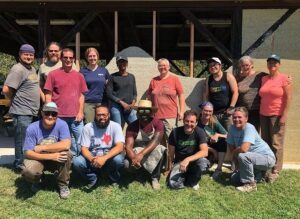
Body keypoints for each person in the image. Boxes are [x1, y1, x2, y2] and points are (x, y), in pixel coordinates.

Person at [21, 102, 72, 199]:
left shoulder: (62, 124)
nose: (50, 116)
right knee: (28, 170)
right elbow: (27, 152)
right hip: (39, 159)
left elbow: (66, 144)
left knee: (67, 154)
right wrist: (51, 156)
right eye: (47, 113)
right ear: (42, 113)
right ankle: (39, 179)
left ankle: (63, 184)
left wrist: (41, 148)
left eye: (54, 114)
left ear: (57, 115)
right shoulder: (32, 128)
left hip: (55, 159)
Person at [2, 44, 40, 170]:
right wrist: (12, 99)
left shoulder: (32, 69)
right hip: (22, 111)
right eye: (26, 54)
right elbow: (6, 89)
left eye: (31, 54)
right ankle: (19, 164)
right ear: (20, 55)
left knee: (28, 138)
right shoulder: (17, 69)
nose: (28, 57)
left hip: (31, 111)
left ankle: (26, 161)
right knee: (22, 139)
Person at [44, 48, 88, 157]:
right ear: (61, 58)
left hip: (76, 117)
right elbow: (48, 95)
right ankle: (65, 163)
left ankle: (80, 163)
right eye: (65, 57)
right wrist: (50, 113)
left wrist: (80, 112)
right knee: (62, 141)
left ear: (73, 59)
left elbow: (82, 95)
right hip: (59, 116)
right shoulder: (53, 74)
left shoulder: (79, 76)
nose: (68, 60)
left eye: (70, 58)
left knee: (81, 141)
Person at [73, 104, 125, 189]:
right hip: (92, 158)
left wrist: (104, 158)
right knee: (77, 162)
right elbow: (84, 149)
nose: (101, 117)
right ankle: (92, 177)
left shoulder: (115, 126)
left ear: (109, 115)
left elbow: (120, 146)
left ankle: (112, 176)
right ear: (95, 115)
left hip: (108, 158)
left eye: (104, 114)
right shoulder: (88, 127)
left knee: (118, 160)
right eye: (98, 115)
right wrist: (93, 159)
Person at [259, 54, 292, 183]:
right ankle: (267, 166)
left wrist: (284, 115)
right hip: (263, 114)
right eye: (270, 62)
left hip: (277, 115)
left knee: (276, 143)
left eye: (275, 63)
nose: (272, 65)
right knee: (266, 142)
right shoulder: (264, 78)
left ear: (279, 64)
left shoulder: (285, 79)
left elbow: (289, 98)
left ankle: (276, 170)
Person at [227, 107, 276, 192]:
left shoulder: (249, 128)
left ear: (246, 118)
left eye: (239, 117)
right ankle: (262, 175)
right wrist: (237, 167)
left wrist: (236, 153)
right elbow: (232, 149)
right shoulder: (231, 129)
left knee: (243, 156)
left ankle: (250, 184)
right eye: (234, 117)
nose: (236, 119)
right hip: (251, 159)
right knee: (234, 178)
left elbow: (244, 149)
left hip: (267, 158)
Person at [125, 100, 166, 190]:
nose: (144, 114)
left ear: (151, 112)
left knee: (160, 149)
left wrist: (141, 154)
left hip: (153, 150)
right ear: (137, 112)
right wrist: (134, 159)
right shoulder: (132, 126)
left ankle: (155, 177)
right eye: (141, 111)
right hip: (137, 152)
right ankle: (139, 175)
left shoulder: (158, 123)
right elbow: (128, 146)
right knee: (127, 164)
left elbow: (156, 141)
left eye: (146, 111)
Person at [168, 110, 208, 190]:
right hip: (179, 163)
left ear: (196, 123)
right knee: (174, 185)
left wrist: (187, 159)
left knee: (203, 162)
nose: (189, 124)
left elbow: (205, 151)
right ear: (183, 121)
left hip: (193, 162)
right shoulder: (175, 132)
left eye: (192, 122)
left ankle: (192, 179)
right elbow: (171, 153)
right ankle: (186, 177)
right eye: (187, 121)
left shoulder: (200, 132)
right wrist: (169, 168)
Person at [147, 58, 185, 138]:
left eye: (164, 65)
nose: (162, 67)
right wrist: (149, 111)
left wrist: (181, 111)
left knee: (170, 139)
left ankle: (171, 151)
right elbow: (149, 97)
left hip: (170, 116)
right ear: (158, 67)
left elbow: (181, 95)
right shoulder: (153, 80)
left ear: (169, 67)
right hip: (155, 116)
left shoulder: (174, 79)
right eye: (160, 65)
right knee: (157, 140)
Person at [203, 57, 238, 131]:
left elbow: (235, 92)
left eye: (215, 65)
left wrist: (231, 107)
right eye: (210, 66)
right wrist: (206, 109)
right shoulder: (208, 80)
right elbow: (206, 95)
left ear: (220, 65)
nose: (212, 67)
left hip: (227, 114)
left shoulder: (228, 76)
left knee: (230, 135)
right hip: (214, 114)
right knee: (216, 136)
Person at [236, 56, 267, 132]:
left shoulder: (260, 75)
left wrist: (286, 78)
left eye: (247, 65)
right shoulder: (238, 78)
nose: (245, 67)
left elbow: (274, 77)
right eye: (243, 65)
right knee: (242, 132)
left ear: (252, 65)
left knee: (253, 132)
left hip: (255, 110)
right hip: (242, 111)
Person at [198, 101, 227, 179]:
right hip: (202, 149)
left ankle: (219, 169)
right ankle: (211, 162)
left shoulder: (214, 122)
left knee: (223, 141)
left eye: (210, 111)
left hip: (214, 147)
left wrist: (217, 135)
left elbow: (227, 135)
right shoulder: (197, 123)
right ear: (201, 111)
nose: (208, 113)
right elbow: (196, 142)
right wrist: (213, 151)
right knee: (202, 168)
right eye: (205, 110)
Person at [106, 55, 137, 127]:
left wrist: (133, 103)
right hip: (116, 106)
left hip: (129, 107)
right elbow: (109, 94)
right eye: (119, 62)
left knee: (135, 126)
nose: (122, 64)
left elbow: (134, 93)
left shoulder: (131, 77)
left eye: (124, 62)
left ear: (127, 64)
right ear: (117, 64)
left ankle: (129, 138)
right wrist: (121, 102)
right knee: (118, 127)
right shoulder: (112, 77)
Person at [80, 47, 110, 123]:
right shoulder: (82, 72)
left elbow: (109, 86)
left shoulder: (104, 71)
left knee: (102, 124)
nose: (92, 58)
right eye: (90, 56)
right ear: (87, 58)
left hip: (102, 102)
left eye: (94, 56)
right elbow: (79, 89)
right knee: (89, 125)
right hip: (88, 103)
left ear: (97, 57)